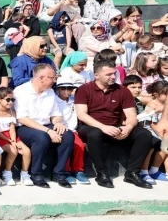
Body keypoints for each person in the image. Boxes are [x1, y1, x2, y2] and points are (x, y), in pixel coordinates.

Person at [75, 60, 154, 189]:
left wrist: (128, 128)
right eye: (108, 74)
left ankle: (132, 173)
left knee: (144, 134)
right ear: (97, 75)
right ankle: (102, 173)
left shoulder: (122, 90)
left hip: (114, 126)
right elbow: (82, 115)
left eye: (114, 73)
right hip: (91, 127)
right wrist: (103, 127)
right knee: (95, 133)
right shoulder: (84, 89)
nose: (113, 77)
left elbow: (131, 116)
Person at [13, 63, 74, 188]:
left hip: (46, 125)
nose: (54, 80)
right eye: (52, 78)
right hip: (26, 127)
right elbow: (23, 119)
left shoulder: (50, 92)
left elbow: (55, 114)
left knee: (67, 135)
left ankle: (59, 173)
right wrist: (48, 131)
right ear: (41, 78)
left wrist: (58, 123)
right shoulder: (21, 91)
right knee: (42, 137)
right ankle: (36, 174)